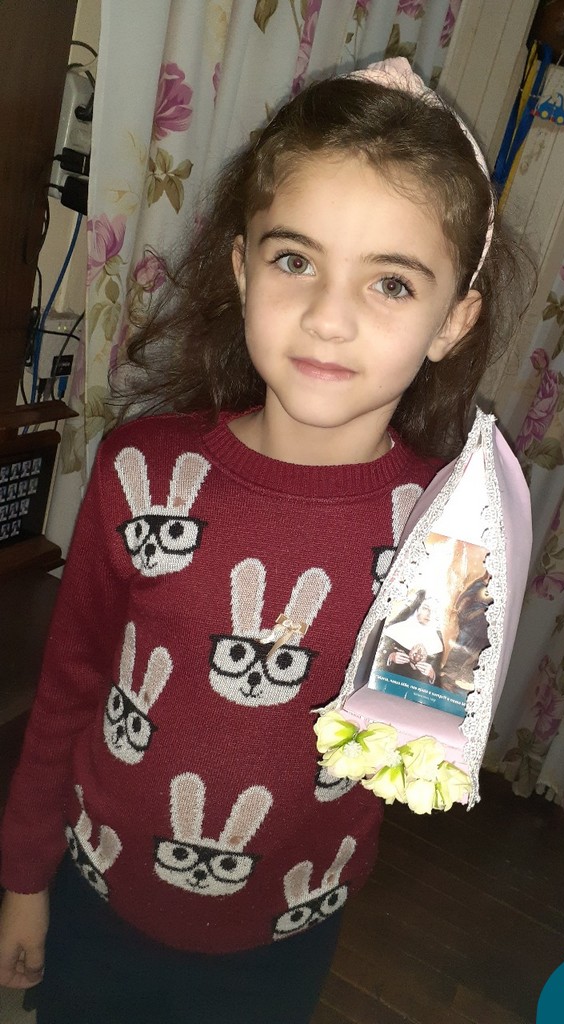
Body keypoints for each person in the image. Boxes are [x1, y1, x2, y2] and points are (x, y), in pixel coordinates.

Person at [0, 58, 528, 1024]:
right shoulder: (139, 474)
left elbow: (412, 750)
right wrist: (23, 878)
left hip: (285, 935)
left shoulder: (451, 533)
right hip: (94, 894)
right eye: (295, 262)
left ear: (453, 321)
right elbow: (68, 688)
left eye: (391, 283)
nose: (329, 316)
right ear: (243, 267)